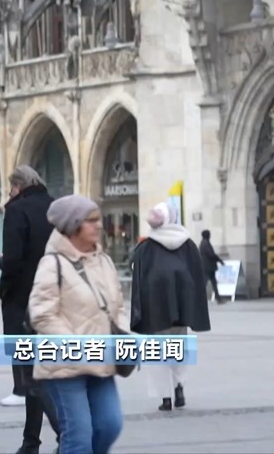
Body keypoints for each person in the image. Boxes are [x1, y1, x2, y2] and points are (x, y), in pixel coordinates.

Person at [29, 194, 125, 454]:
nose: (99, 225)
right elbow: (41, 314)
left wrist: (125, 334)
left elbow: (118, 304)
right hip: (63, 365)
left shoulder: (103, 261)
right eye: (91, 221)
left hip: (101, 360)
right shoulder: (53, 264)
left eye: (98, 219)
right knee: (79, 435)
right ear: (73, 226)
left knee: (109, 426)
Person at [0, 165, 61, 453]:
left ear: (17, 186)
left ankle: (64, 432)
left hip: (24, 300)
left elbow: (13, 261)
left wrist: (5, 286)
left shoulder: (16, 210)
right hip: (55, 299)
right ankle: (31, 440)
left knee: (31, 374)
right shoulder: (54, 207)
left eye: (10, 189)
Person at [130, 201, 211, 411]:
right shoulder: (188, 244)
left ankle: (165, 397)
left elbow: (137, 279)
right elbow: (197, 277)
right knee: (178, 348)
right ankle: (179, 387)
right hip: (181, 311)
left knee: (157, 352)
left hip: (154, 311)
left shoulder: (146, 247)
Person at [199, 230, 226, 303]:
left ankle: (218, 298)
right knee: (205, 283)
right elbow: (211, 255)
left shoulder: (204, 243)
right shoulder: (205, 244)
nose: (210, 235)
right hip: (208, 267)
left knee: (213, 282)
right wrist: (219, 260)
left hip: (208, 266)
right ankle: (198, 298)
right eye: (209, 234)